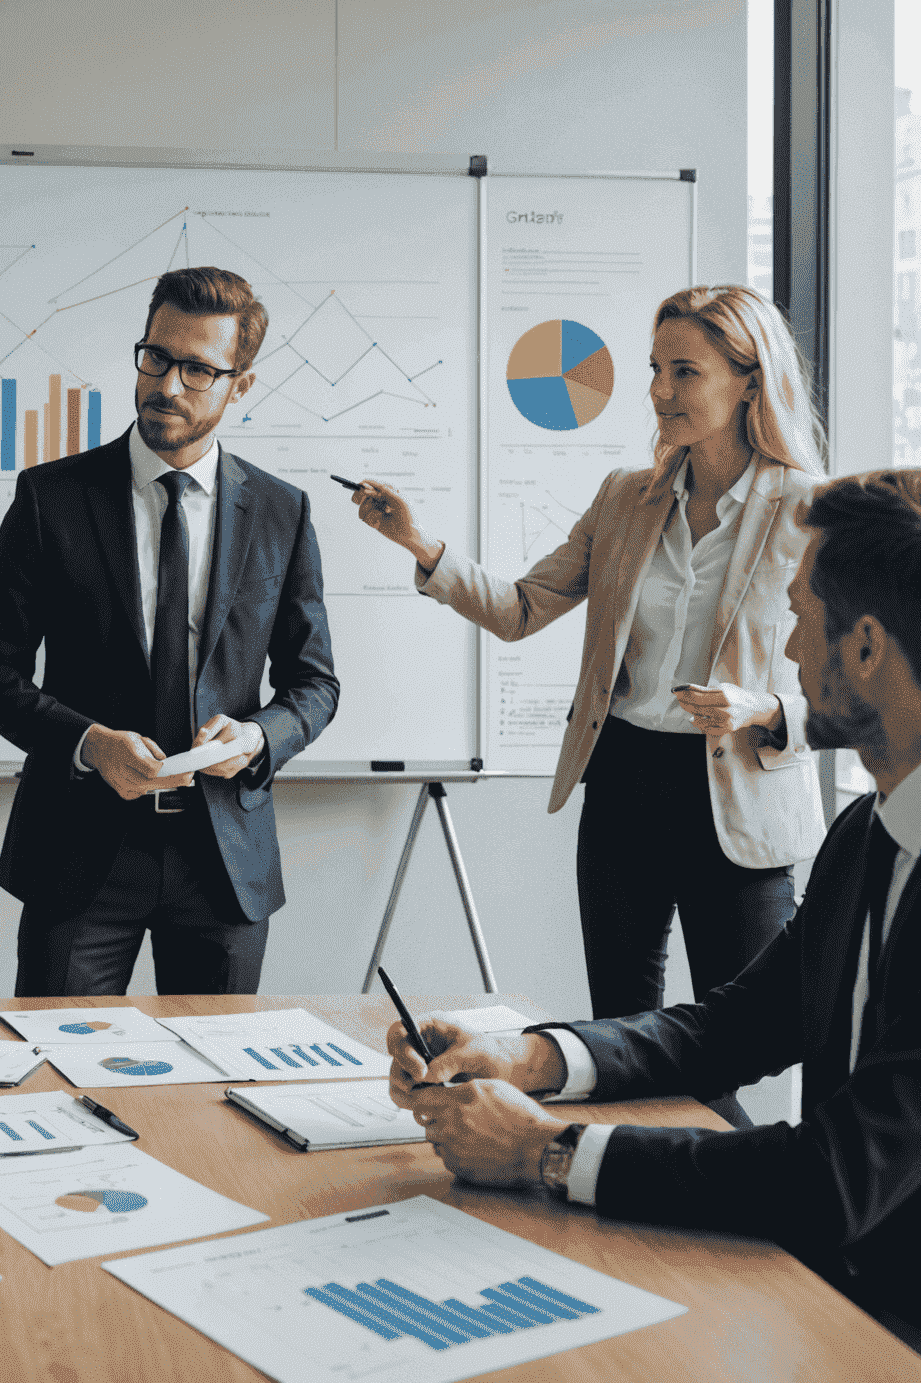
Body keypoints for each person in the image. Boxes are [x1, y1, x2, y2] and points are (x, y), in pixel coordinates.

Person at [386, 469, 921, 1349]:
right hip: (835, 1297)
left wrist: (545, 1153)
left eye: (801, 617)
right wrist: (529, 1057)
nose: (786, 652)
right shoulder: (868, 834)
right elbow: (729, 1029)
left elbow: (835, 1177)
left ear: (864, 647)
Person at [353, 285, 825, 1124]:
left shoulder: (808, 508)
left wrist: (764, 707)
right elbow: (521, 608)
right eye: (655, 368)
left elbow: (866, 679)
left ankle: (713, 1206)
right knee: (615, 1036)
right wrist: (421, 544)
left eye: (686, 370)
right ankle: (637, 1209)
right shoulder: (625, 498)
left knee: (739, 1045)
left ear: (750, 381)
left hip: (739, 796)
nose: (658, 391)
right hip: (625, 783)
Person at [0, 267, 339, 996]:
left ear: (241, 386)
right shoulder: (51, 498)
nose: (166, 385)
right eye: (156, 357)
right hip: (78, 851)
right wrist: (88, 743)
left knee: (215, 1095)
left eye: (198, 369)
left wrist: (258, 737)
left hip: (224, 857)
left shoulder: (281, 513)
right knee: (59, 1073)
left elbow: (314, 684)